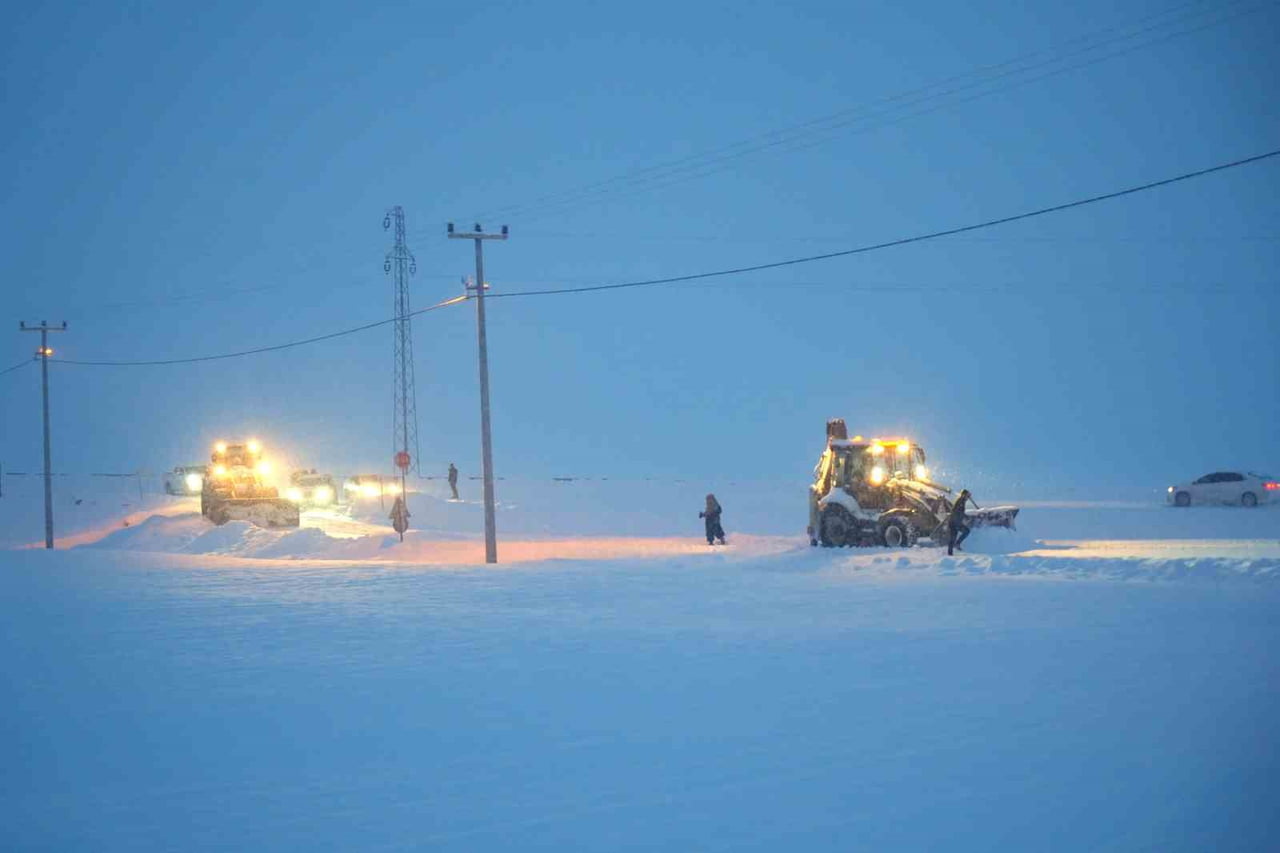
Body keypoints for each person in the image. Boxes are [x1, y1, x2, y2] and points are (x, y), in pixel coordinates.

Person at [946, 488, 979, 556]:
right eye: (967, 496)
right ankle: (950, 553)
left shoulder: (962, 500)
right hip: (954, 522)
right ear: (964, 495)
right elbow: (958, 512)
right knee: (953, 537)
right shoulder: (961, 501)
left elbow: (959, 512)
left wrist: (965, 517)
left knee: (965, 532)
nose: (968, 497)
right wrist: (966, 517)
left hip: (956, 522)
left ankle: (955, 546)